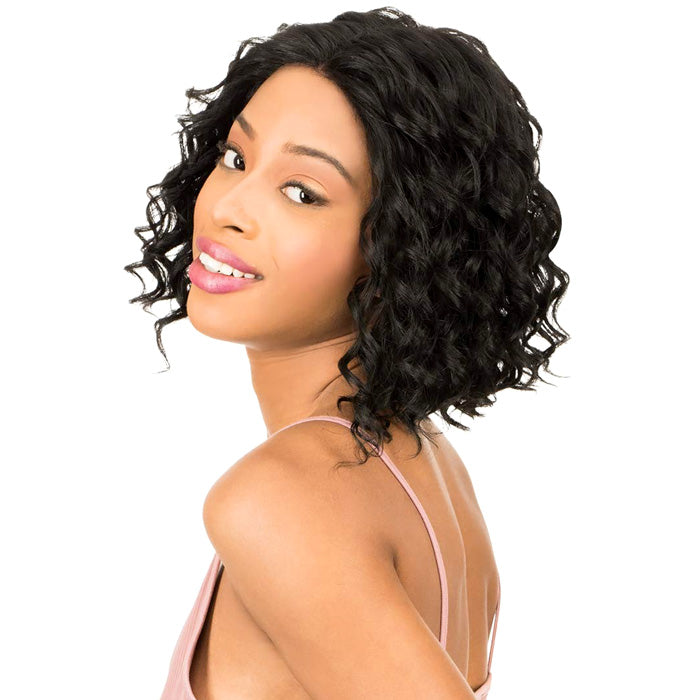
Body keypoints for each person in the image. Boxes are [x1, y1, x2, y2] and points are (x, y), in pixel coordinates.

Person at [125, 7, 570, 698]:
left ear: (402, 248)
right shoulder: (424, 462)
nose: (228, 207)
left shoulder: (284, 498)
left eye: (302, 192)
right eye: (236, 158)